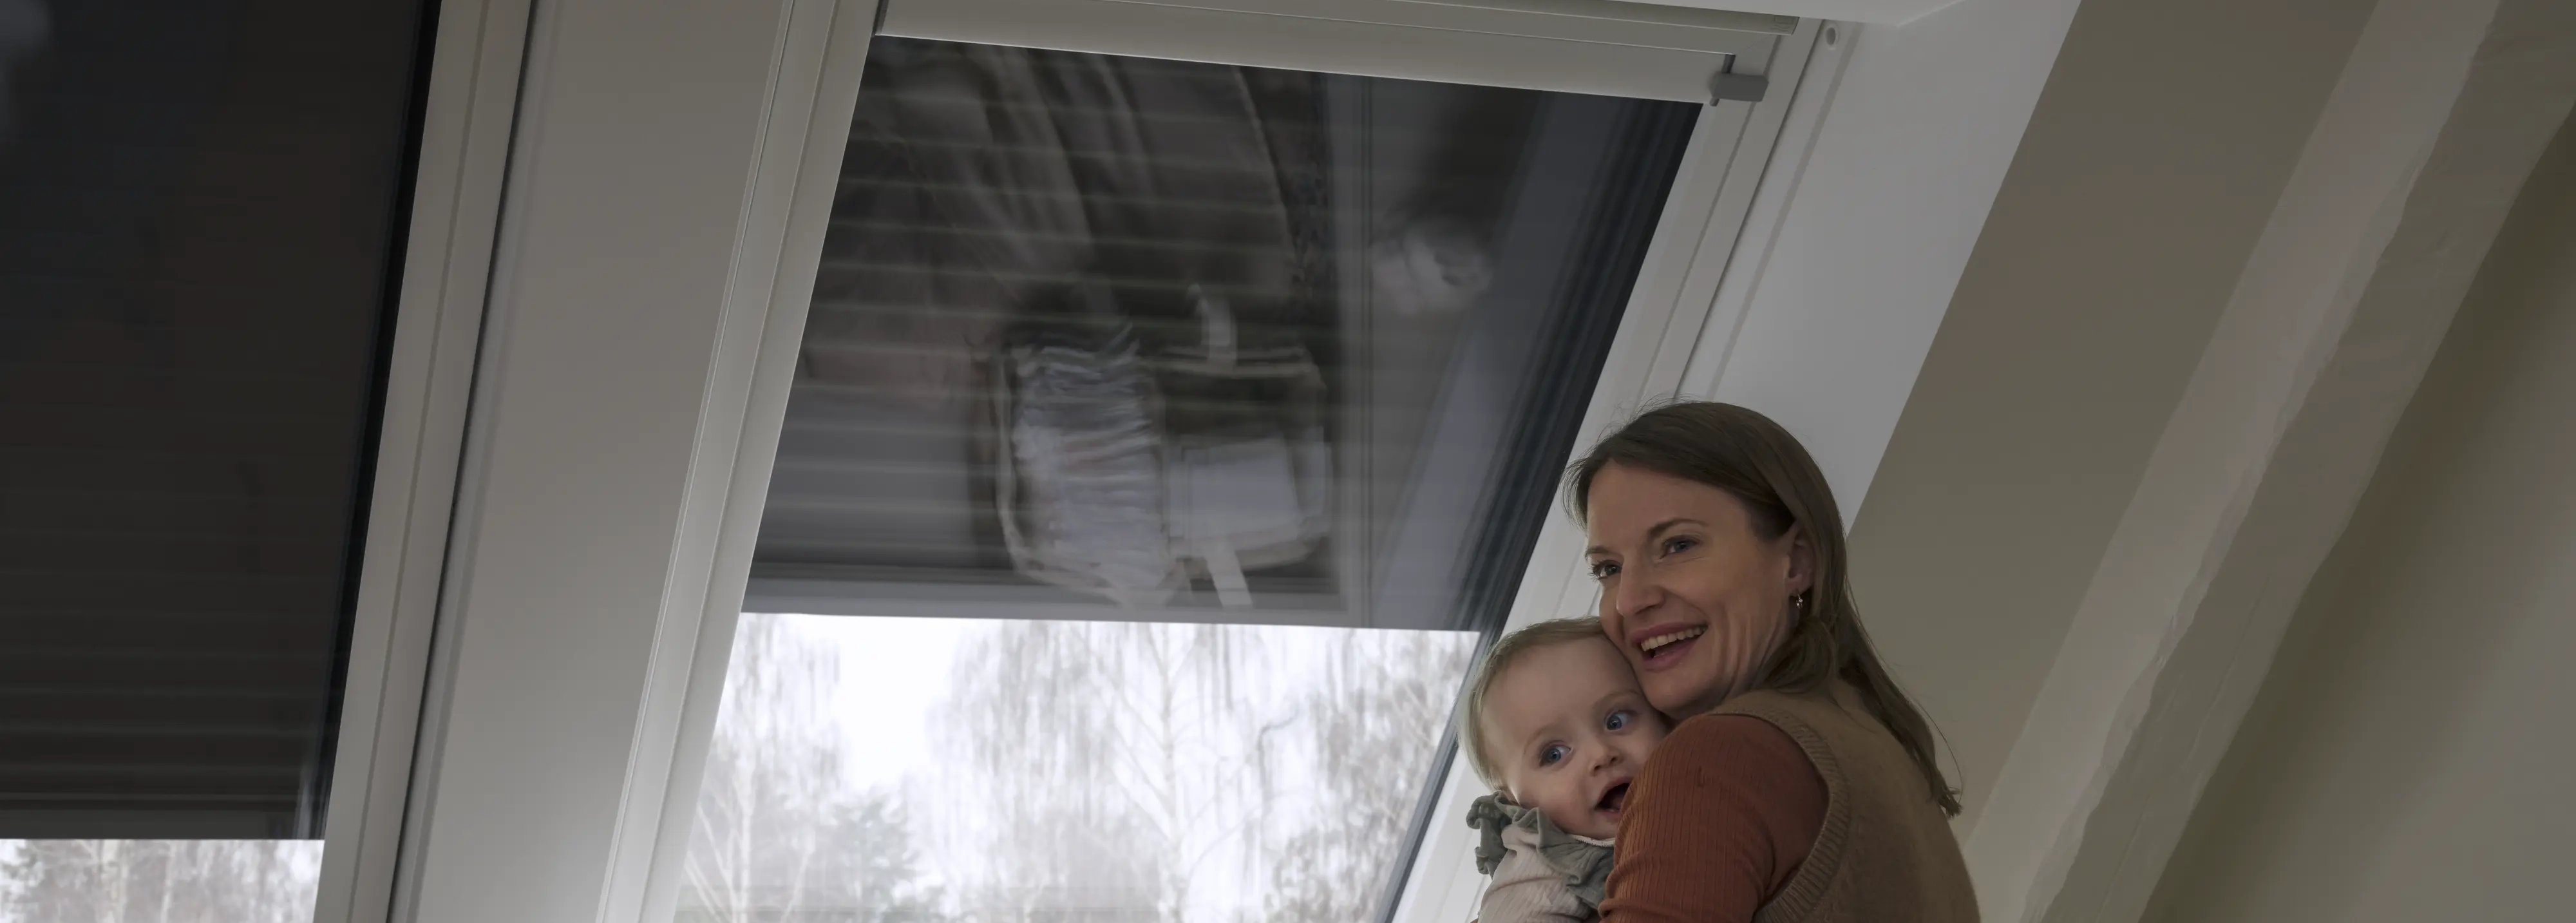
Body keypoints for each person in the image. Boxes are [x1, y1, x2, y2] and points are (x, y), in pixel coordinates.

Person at [1572, 401, 1977, 923]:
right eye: (1608, 568)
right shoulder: (1866, 728)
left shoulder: (1718, 758)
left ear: (1798, 562)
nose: (1630, 599)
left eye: (1677, 545)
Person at [1456, 617, 1670, 923]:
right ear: (1517, 804)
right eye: (1554, 754)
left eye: (1616, 721)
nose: (1601, 754)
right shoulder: (1541, 864)